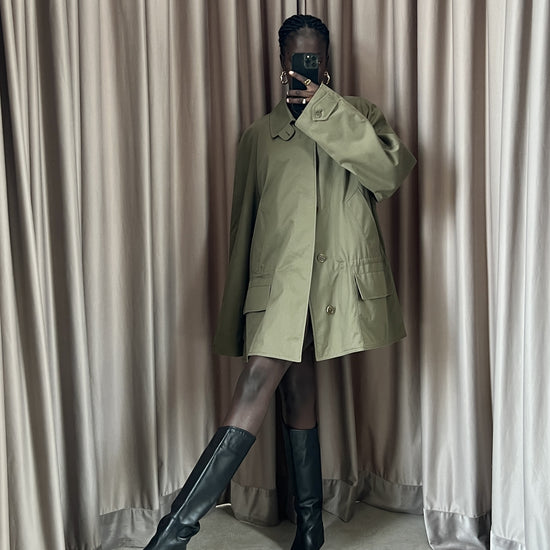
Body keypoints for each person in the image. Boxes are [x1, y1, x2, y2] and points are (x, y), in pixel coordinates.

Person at [144, 13, 416, 550]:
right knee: (258, 383)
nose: (305, 66)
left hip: (333, 288)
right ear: (281, 61)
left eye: (315, 57)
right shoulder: (258, 137)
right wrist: (240, 304)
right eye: (297, 58)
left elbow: (388, 173)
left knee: (299, 393)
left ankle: (308, 534)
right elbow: (243, 226)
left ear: (327, 61)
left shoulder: (357, 116)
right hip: (279, 290)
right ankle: (172, 535)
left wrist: (325, 110)